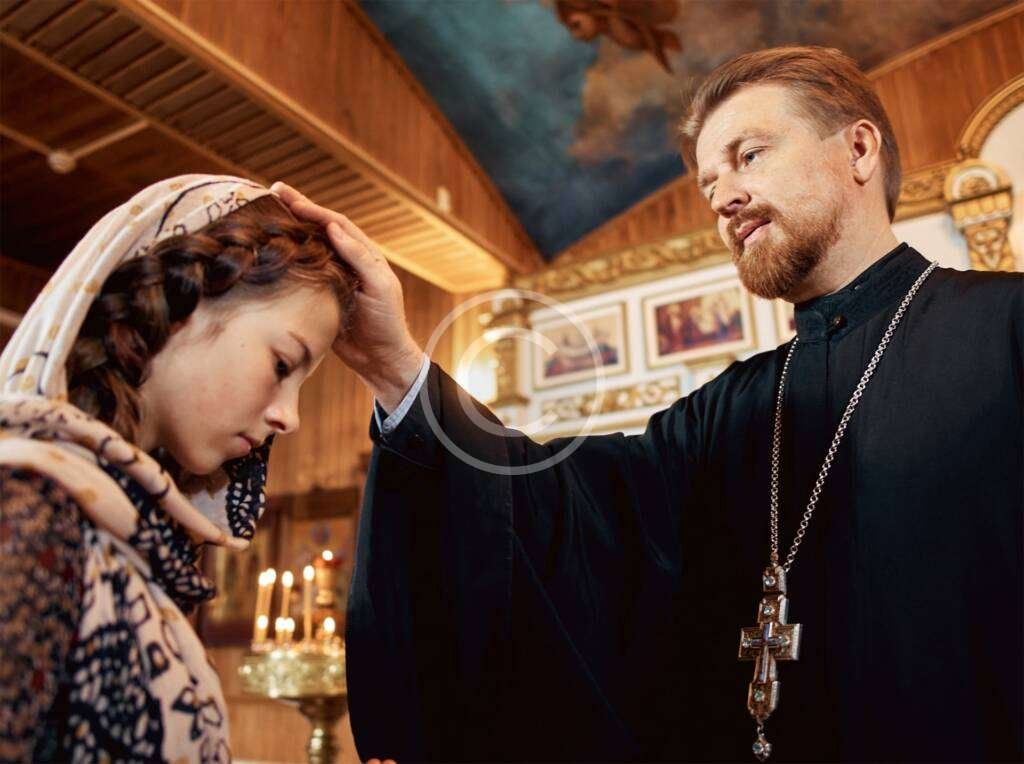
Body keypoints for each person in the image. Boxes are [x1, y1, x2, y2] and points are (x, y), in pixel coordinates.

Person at [275, 46, 1022, 762]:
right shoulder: (726, 413)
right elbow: (562, 514)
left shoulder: (1007, 330)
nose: (723, 198)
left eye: (749, 155)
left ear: (858, 150)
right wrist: (396, 368)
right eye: (707, 184)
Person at [0, 175, 356, 761]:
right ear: (180, 305)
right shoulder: (28, 508)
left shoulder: (134, 536)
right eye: (281, 364)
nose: (289, 418)